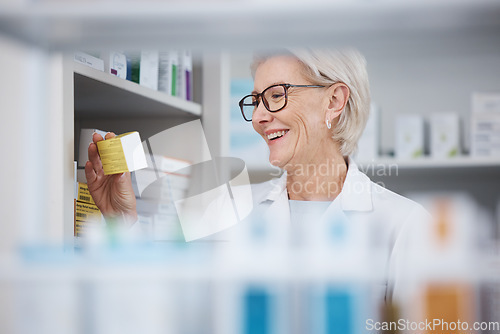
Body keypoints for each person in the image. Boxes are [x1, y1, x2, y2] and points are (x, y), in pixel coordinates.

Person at [85, 49, 430, 304]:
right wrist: (121, 221)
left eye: (276, 96)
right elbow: (167, 300)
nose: (259, 117)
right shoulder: (232, 207)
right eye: (255, 101)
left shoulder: (405, 225)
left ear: (334, 101)